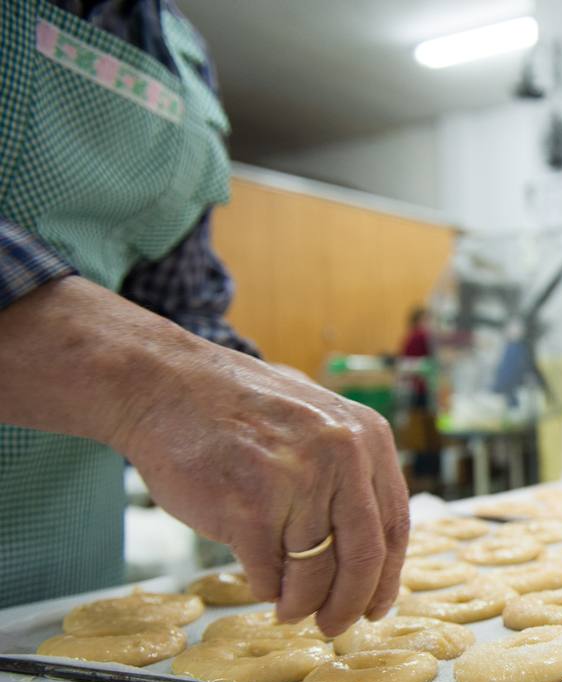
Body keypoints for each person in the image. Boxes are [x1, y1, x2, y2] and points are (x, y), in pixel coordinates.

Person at [0, 0, 408, 636]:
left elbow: (176, 305)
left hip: (67, 569)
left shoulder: (182, 55)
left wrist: (261, 388)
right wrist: (151, 386)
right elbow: (168, 368)